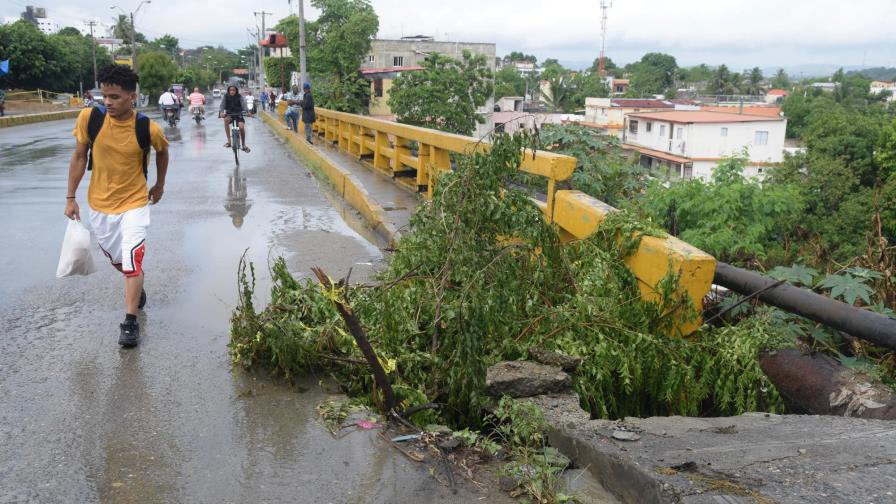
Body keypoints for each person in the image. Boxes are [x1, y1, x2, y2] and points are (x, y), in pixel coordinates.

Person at [64, 64, 169, 347]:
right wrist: (70, 197)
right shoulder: (90, 118)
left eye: (115, 97)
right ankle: (137, 286)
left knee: (133, 258)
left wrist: (159, 185)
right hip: (100, 205)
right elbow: (78, 157)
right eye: (104, 96)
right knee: (121, 262)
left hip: (135, 203)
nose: (108, 102)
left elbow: (163, 151)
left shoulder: (147, 127)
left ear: (132, 97)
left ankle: (129, 321)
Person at [219, 85, 251, 152]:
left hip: (238, 114)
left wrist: (248, 111)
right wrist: (221, 112)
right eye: (230, 90)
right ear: (228, 91)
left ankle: (243, 145)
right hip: (229, 114)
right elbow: (222, 105)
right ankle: (229, 142)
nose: (232, 91)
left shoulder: (239, 96)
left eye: (233, 90)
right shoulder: (225, 96)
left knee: (241, 127)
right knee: (225, 120)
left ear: (236, 91)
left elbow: (244, 104)